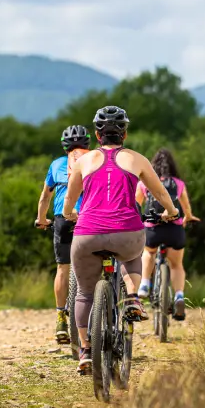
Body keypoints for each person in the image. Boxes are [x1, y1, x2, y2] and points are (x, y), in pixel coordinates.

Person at [62, 106, 180, 372]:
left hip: (87, 234)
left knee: (84, 293)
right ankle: (132, 298)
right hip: (127, 231)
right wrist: (172, 212)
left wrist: (70, 214)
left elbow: (69, 199)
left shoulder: (84, 161)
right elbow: (160, 193)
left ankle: (85, 350)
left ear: (97, 135)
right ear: (124, 134)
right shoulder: (137, 159)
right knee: (132, 258)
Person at [36, 125, 91, 344]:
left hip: (63, 219)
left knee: (62, 268)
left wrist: (41, 219)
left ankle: (61, 316)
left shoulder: (57, 164)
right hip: (89, 217)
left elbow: (45, 197)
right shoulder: (94, 160)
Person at [136, 148, 200, 321]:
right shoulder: (178, 184)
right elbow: (186, 207)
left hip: (153, 229)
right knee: (176, 265)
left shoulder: (145, 183)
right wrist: (188, 217)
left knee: (149, 252)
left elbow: (136, 204)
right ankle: (179, 296)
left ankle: (144, 284)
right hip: (174, 230)